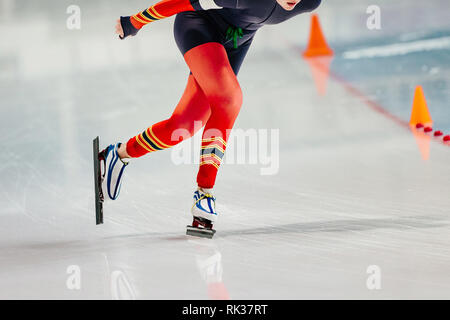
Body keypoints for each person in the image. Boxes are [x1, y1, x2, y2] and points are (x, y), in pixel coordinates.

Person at [99, 0, 322, 237]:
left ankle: (118, 154)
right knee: (229, 98)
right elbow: (185, 1)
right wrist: (135, 21)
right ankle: (204, 192)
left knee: (184, 125)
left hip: (236, 40)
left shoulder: (310, 1)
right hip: (198, 26)